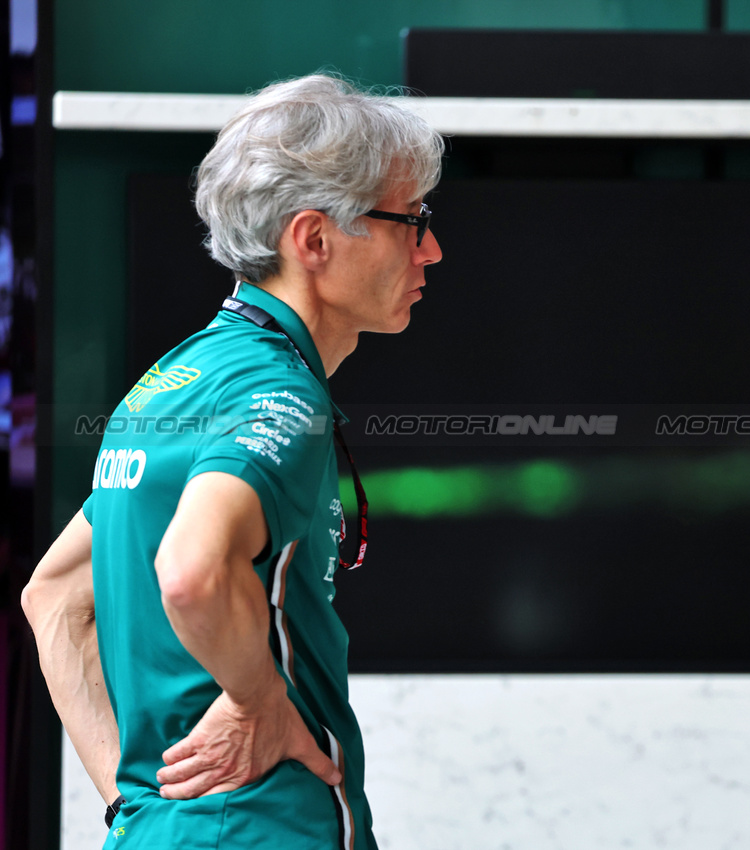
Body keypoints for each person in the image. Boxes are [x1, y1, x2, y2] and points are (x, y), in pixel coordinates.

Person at [23, 74, 443, 848]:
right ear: (313, 239)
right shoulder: (276, 393)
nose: (432, 248)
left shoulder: (171, 380)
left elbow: (52, 596)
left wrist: (135, 801)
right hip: (261, 826)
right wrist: (258, 705)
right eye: (411, 220)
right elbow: (192, 571)